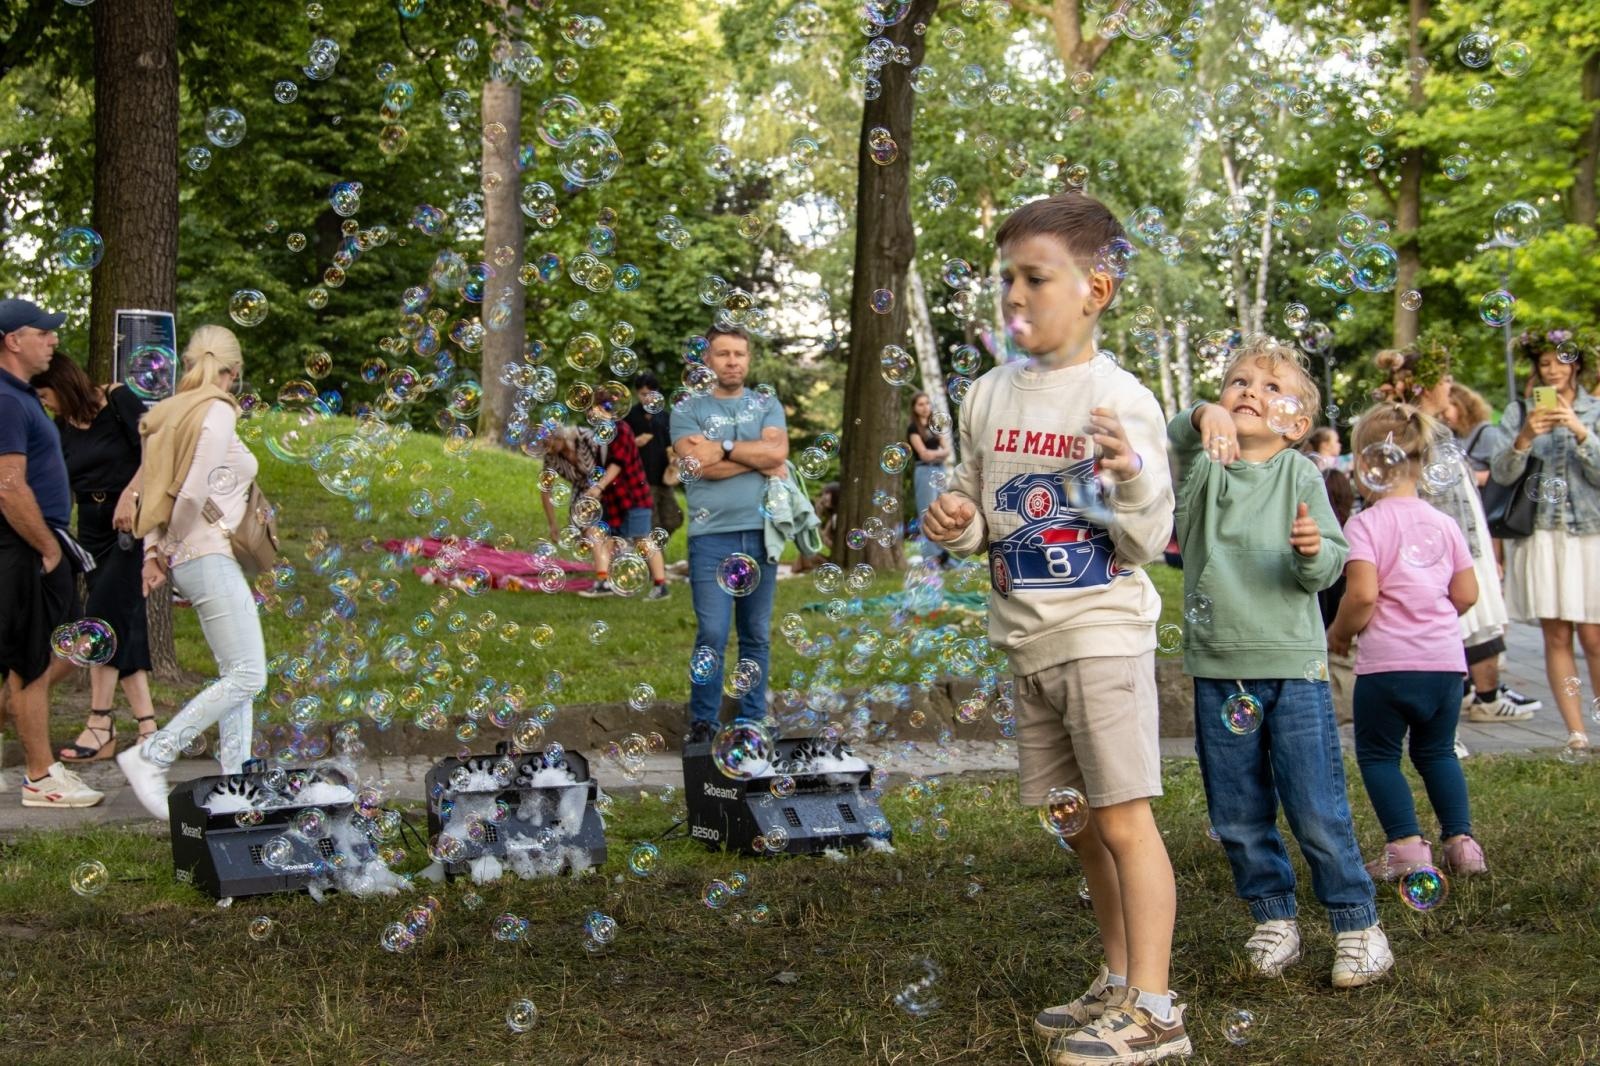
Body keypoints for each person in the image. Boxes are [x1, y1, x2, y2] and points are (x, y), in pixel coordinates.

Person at [922, 193, 1187, 1066]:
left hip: (1103, 632)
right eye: (1007, 279)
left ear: (1095, 289)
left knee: (1122, 821)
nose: (1015, 296)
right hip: (1026, 637)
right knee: (1078, 824)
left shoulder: (1120, 400)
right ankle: (1115, 980)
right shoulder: (989, 393)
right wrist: (956, 518)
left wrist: (1133, 477)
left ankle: (1156, 1010)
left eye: (1036, 277)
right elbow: (977, 509)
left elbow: (1148, 538)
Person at [1168, 339, 1390, 991]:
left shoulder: (1299, 476)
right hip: (1218, 668)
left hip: (1293, 667)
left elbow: (1324, 569)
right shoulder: (1206, 469)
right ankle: (1274, 916)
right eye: (1237, 382)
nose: (1248, 393)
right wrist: (1202, 412)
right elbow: (1177, 435)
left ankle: (1357, 925)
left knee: (1316, 806)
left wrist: (1310, 549)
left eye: (1270, 389)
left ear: (1296, 427)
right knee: (1236, 809)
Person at [1328, 402, 1487, 879]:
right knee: (1436, 751)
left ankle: (1406, 846)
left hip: (1388, 667)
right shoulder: (1443, 523)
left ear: (1367, 466)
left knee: (1378, 755)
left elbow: (1362, 596)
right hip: (1444, 665)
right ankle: (1462, 844)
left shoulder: (1365, 524)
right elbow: (1467, 593)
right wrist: (1433, 617)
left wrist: (1338, 633)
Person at [116, 325, 267, 819]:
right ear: (234, 370)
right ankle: (152, 754)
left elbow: (155, 491)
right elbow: (191, 494)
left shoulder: (169, 413)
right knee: (248, 674)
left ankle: (236, 783)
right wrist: (168, 549)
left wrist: (155, 552)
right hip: (205, 552)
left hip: (191, 555)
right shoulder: (218, 409)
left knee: (236, 672)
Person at [1373, 344, 1527, 730]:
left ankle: (1468, 711)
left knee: (1470, 631)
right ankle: (1444, 727)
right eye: (1443, 379)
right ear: (1422, 386)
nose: (1450, 384)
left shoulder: (1439, 429)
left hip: (1465, 545)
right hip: (1436, 553)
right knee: (1447, 637)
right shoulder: (1409, 431)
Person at [0, 299, 104, 807]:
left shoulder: (21, 397)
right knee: (32, 665)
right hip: (27, 547)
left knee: (47, 655)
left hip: (41, 543)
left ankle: (34, 754)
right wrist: (47, 548)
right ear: (12, 341)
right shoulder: (6, 400)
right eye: (43, 331)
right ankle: (40, 778)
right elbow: (8, 485)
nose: (54, 339)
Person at [31, 352, 159, 760]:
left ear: (62, 383)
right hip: (89, 526)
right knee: (124, 620)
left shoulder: (117, 398)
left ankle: (100, 722)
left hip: (129, 523)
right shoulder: (59, 426)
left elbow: (156, 449)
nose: (44, 403)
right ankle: (147, 729)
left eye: (46, 394)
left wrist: (132, 493)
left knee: (101, 618)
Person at [670, 325, 789, 745]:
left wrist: (718, 448)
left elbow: (778, 453)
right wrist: (751, 455)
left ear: (749, 358)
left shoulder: (766, 404)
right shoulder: (687, 410)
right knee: (713, 634)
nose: (733, 361)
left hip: (761, 534)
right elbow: (695, 465)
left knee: (756, 635)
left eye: (739, 353)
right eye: (723, 354)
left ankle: (753, 720)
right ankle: (704, 721)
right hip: (711, 538)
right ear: (708, 359)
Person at [1489, 331, 1600, 759]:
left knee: (1593, 636)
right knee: (1556, 634)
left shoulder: (1593, 409)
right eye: (1544, 363)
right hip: (1543, 537)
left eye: (1560, 361)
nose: (1551, 369)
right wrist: (1523, 438)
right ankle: (1576, 734)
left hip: (1587, 534)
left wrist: (1579, 430)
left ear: (1576, 365)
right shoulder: (1520, 411)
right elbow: (1501, 473)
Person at [539, 414, 668, 599]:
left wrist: (600, 487)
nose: (548, 448)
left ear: (561, 437)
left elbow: (613, 458)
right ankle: (604, 580)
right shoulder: (550, 457)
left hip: (609, 488)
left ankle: (658, 583)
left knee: (638, 537)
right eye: (544, 444)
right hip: (586, 493)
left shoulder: (586, 437)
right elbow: (546, 490)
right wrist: (552, 524)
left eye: (550, 442)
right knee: (594, 533)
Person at [622, 371, 683, 537]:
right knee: (652, 524)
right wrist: (635, 443)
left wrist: (674, 459)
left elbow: (671, 446)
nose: (647, 398)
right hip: (641, 479)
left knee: (674, 519)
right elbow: (619, 448)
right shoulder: (630, 417)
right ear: (636, 393)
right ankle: (655, 561)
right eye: (643, 394)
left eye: (651, 394)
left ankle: (652, 555)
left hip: (663, 477)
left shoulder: (664, 417)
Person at [906, 390, 950, 566]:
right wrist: (937, 453)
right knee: (927, 513)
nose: (925, 407)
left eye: (927, 403)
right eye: (920, 404)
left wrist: (935, 454)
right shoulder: (913, 428)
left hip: (939, 470)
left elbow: (947, 451)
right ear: (914, 408)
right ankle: (931, 557)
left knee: (942, 512)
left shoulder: (934, 425)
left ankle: (942, 555)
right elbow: (923, 455)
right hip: (924, 472)